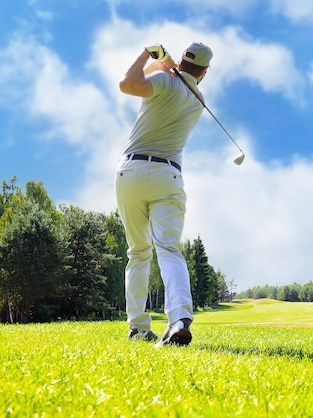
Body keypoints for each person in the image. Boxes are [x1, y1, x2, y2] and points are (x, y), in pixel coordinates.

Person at [115, 42, 213, 346]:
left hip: (131, 172)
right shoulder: (198, 98)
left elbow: (127, 84)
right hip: (168, 175)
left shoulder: (164, 80)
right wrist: (166, 65)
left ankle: (138, 328)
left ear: (181, 61)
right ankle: (180, 320)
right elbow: (175, 78)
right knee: (169, 249)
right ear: (205, 72)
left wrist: (148, 55)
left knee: (138, 252)